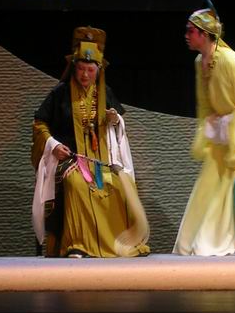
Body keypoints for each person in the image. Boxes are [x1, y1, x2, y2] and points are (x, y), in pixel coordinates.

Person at [31, 26, 149, 258]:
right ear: (74, 67)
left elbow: (118, 126)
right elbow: (39, 123)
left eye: (90, 70)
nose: (85, 75)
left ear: (98, 70)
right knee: (77, 184)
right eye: (81, 69)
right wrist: (53, 145)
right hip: (71, 159)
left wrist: (115, 120)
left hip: (102, 162)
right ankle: (78, 244)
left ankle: (118, 244)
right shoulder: (60, 93)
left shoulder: (105, 93)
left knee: (121, 184)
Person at [173, 0, 235, 256]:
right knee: (210, 185)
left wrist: (231, 122)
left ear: (205, 34)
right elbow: (205, 102)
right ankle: (202, 237)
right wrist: (208, 126)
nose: (187, 35)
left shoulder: (230, 60)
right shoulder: (200, 62)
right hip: (221, 133)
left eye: (191, 31)